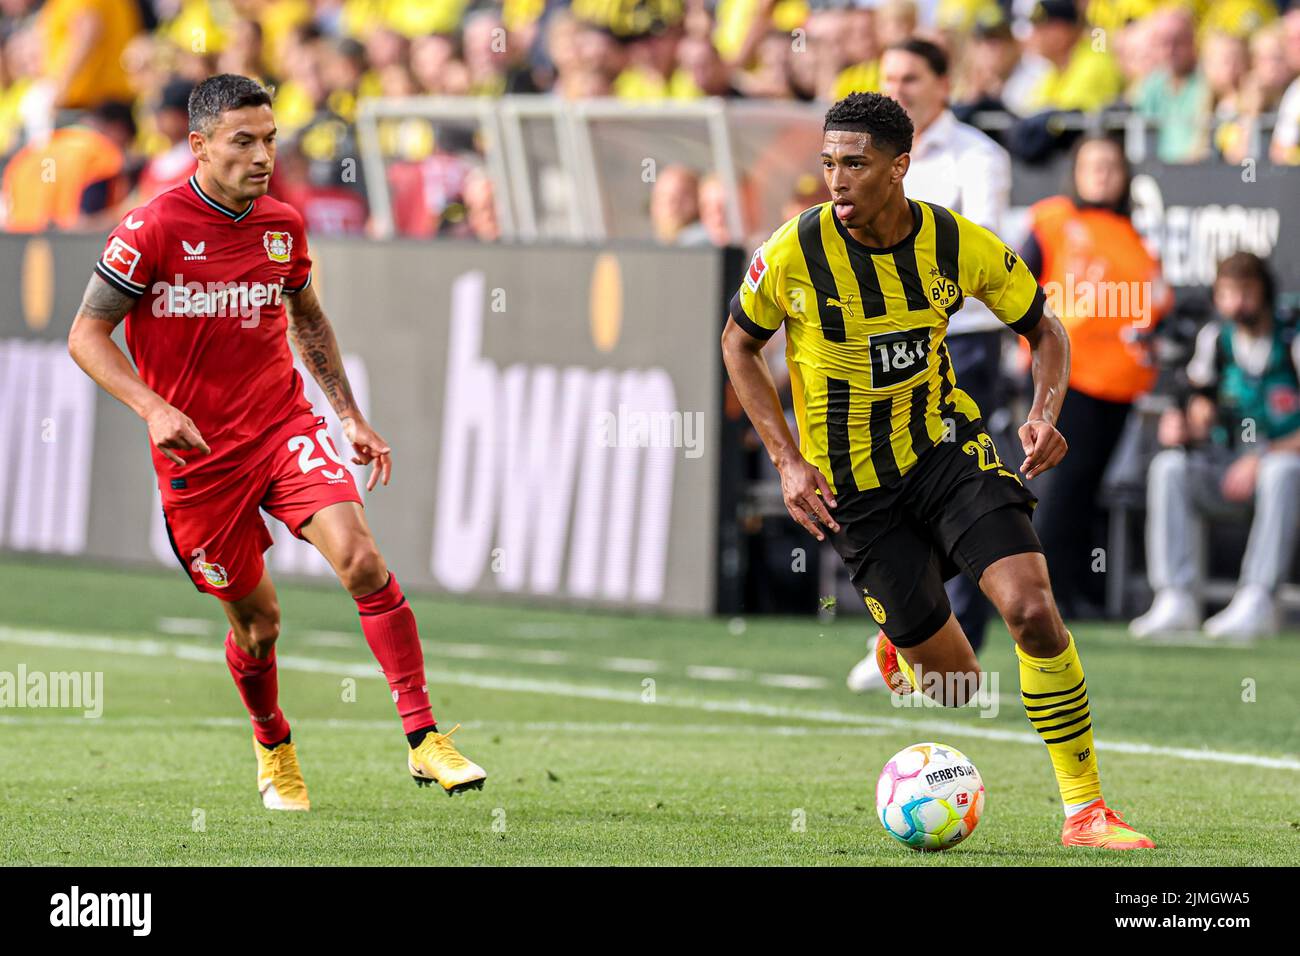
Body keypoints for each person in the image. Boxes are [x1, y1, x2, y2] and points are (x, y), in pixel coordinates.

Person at [720, 91, 1154, 850]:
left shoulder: (955, 243)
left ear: (899, 168)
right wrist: (787, 459)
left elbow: (1044, 328)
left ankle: (1086, 811)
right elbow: (737, 343)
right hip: (854, 489)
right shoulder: (794, 251)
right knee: (956, 687)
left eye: (855, 164)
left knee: (1029, 608)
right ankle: (901, 641)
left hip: (944, 450)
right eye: (828, 164)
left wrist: (1045, 411)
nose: (837, 180)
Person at [66, 74, 486, 811]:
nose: (262, 156)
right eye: (244, 142)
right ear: (198, 146)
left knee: (360, 559)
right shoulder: (151, 230)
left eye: (270, 140)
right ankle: (273, 742)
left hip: (281, 427)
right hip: (198, 460)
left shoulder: (281, 225)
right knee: (260, 628)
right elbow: (86, 334)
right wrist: (152, 407)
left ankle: (424, 739)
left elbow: (309, 319)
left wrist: (348, 414)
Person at [846, 38, 1013, 693]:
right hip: (877, 349)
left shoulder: (980, 158)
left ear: (945, 84)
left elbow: (983, 257)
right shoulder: (868, 158)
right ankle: (907, 636)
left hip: (957, 345)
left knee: (953, 492)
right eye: (888, 77)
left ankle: (941, 645)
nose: (898, 88)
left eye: (910, 77)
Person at [1024, 134, 1170, 619]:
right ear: (1076, 171)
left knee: (1086, 493)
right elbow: (1016, 282)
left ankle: (1070, 591)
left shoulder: (1136, 237)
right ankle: (1040, 596)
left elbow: (1153, 305)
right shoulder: (1054, 220)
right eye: (1093, 163)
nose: (1103, 173)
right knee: (1060, 491)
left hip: (1121, 386)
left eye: (1111, 164)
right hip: (1071, 379)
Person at [1131, 253, 1300, 641]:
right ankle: (1175, 596)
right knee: (1170, 467)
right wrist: (1185, 423)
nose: (1237, 304)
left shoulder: (1290, 339)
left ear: (1265, 293)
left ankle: (1258, 596)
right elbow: (1195, 398)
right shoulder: (1214, 340)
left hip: (1280, 470)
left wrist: (1265, 456)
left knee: (1282, 471)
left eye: (1246, 292)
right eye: (1228, 293)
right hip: (1227, 467)